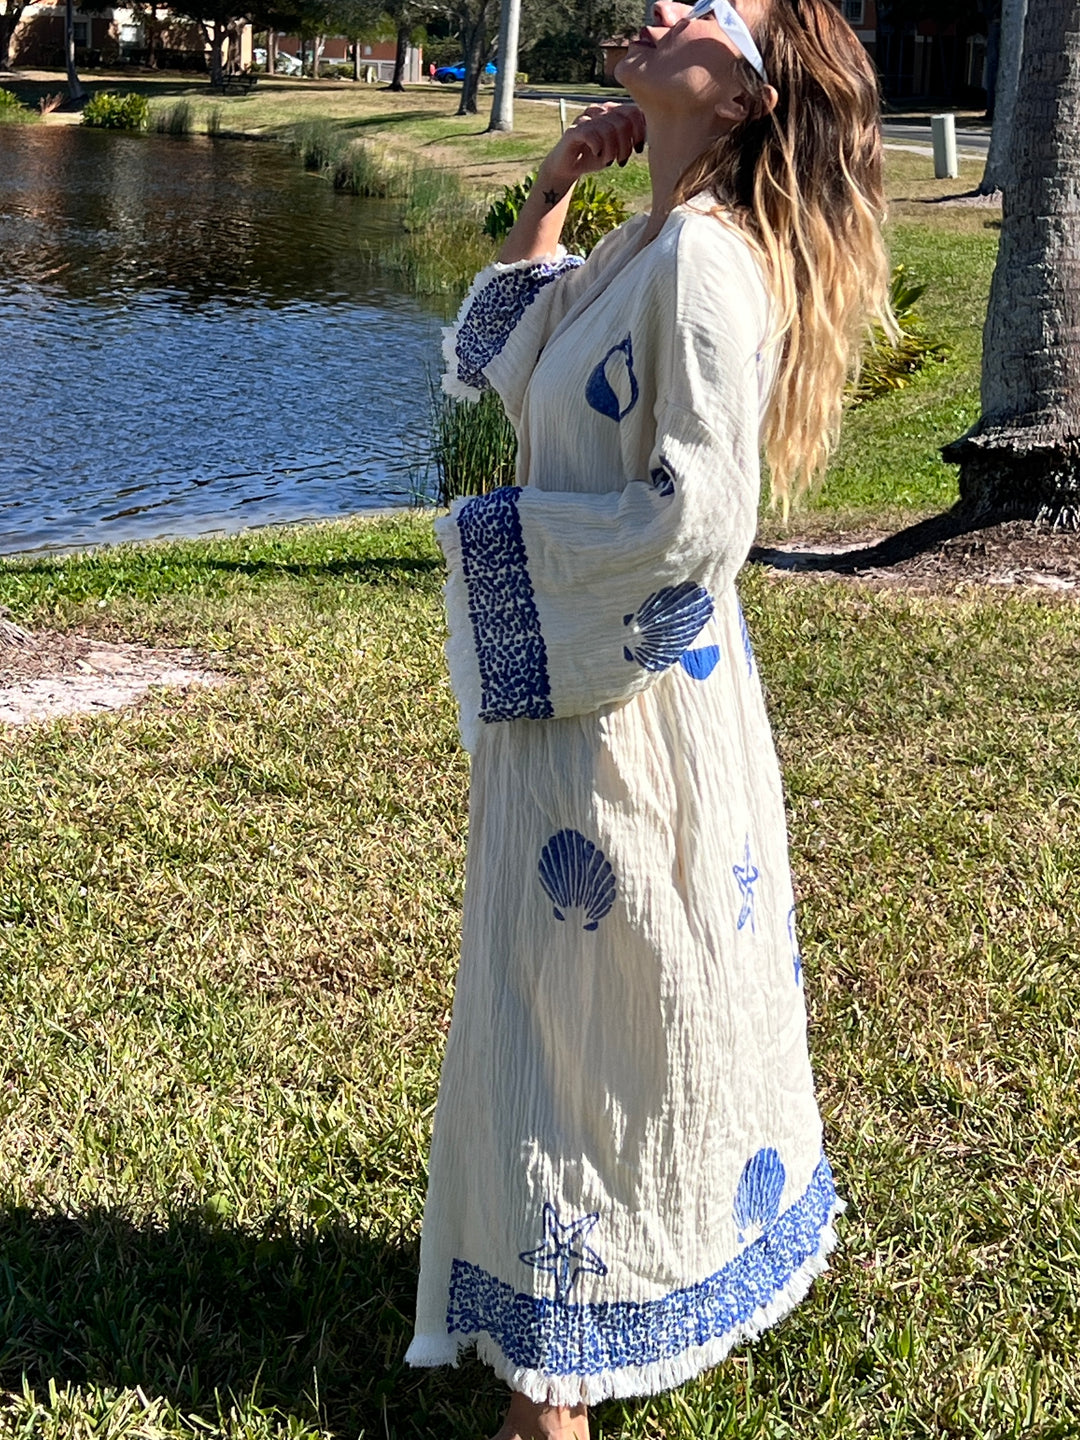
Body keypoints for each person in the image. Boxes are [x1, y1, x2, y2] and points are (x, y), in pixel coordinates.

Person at [406, 2, 891, 1436]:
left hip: (623, 704)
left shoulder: (702, 265)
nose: (661, 7)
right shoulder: (644, 240)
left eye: (704, 7)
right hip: (596, 691)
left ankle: (556, 1388)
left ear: (742, 94)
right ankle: (599, 1292)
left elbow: (698, 524)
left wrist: (499, 550)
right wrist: (557, 180)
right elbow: (486, 355)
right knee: (592, 1012)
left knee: (592, 1026)